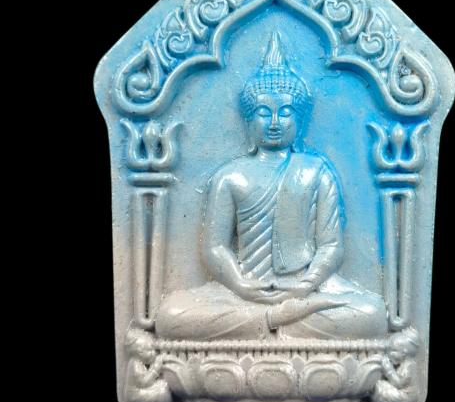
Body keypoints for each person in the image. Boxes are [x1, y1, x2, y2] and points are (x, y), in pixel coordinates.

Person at [156, 32, 388, 341]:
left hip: (305, 292)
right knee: (171, 315)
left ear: (300, 120)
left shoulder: (316, 172)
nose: (275, 122)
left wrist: (306, 285)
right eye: (264, 112)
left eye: (286, 112)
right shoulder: (230, 176)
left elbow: (331, 246)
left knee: (372, 314)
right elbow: (215, 246)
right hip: (243, 293)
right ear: (248, 120)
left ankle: (270, 322)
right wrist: (241, 285)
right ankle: (274, 319)